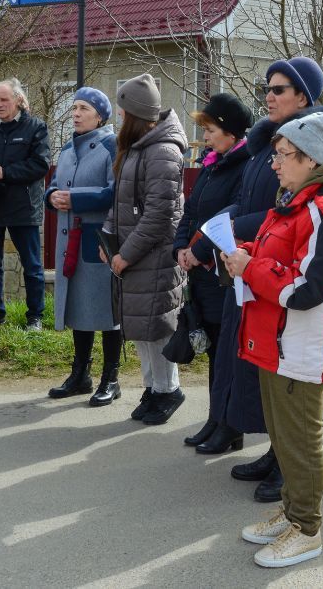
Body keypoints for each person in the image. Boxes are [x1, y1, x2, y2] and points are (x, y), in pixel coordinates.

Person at [224, 111, 323, 568]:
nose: (275, 163)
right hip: (276, 340)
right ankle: (292, 512)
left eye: (284, 155)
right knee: (284, 438)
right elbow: (280, 256)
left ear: (312, 160)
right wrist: (247, 253)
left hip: (301, 344)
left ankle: (307, 529)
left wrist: (252, 268)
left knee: (301, 442)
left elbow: (311, 288)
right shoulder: (295, 201)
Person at [205, 57, 323, 504]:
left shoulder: (312, 147)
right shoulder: (270, 144)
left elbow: (287, 211)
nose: (269, 96)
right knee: (263, 371)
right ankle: (276, 452)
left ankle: (293, 480)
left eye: (279, 89)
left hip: (283, 277)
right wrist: (226, 226)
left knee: (291, 379)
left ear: (303, 96)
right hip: (258, 268)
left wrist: (239, 228)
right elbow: (251, 199)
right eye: (267, 88)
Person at [100, 74, 187, 422]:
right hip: (135, 255)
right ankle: (153, 387)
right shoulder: (137, 147)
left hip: (153, 256)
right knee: (139, 326)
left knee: (157, 328)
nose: (119, 116)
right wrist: (108, 238)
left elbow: (158, 216)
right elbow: (119, 200)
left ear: (135, 114)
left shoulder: (163, 151)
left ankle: (169, 390)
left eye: (123, 110)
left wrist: (125, 254)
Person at [177, 93, 252, 445]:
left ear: (230, 132)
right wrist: (181, 247)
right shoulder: (212, 164)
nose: (205, 137)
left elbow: (231, 217)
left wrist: (198, 250)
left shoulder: (244, 166)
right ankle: (214, 418)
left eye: (210, 129)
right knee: (213, 350)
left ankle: (230, 427)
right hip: (201, 271)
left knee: (226, 351)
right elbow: (192, 210)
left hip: (222, 270)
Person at [44, 86, 122, 406]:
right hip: (70, 242)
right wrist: (51, 196)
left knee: (107, 311)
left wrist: (75, 199)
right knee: (79, 307)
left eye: (83, 109)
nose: (75, 113)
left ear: (100, 116)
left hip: (99, 240)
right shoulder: (67, 148)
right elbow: (53, 185)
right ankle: (80, 375)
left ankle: (111, 378)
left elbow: (115, 192)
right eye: (74, 108)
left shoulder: (112, 145)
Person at [0, 78, 49, 331]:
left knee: (32, 265)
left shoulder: (36, 127)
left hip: (23, 207)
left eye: (4, 99)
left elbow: (40, 165)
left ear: (18, 100)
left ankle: (35, 316)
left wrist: (5, 172)